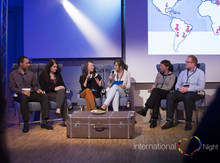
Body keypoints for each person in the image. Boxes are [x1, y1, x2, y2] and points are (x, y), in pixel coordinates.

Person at [9, 56, 53, 133]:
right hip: (20, 94)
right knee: (23, 98)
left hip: (31, 93)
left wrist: (37, 89)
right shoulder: (13, 74)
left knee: (44, 96)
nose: (29, 64)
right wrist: (22, 91)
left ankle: (44, 122)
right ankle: (26, 123)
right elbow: (12, 88)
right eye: (27, 63)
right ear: (21, 64)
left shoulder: (31, 73)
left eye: (29, 63)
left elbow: (35, 85)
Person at [162, 55, 205, 130]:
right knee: (170, 95)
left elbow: (201, 86)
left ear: (193, 64)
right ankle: (169, 121)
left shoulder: (200, 73)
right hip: (182, 91)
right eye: (186, 61)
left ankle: (188, 122)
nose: (185, 63)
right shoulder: (183, 72)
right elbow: (177, 84)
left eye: (187, 62)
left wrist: (188, 89)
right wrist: (179, 88)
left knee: (188, 96)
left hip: (194, 92)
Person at [136, 60, 176, 128]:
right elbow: (155, 84)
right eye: (160, 66)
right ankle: (154, 120)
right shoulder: (159, 74)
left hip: (167, 93)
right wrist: (152, 88)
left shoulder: (172, 75)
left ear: (167, 67)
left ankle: (146, 108)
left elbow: (169, 87)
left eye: (162, 66)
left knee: (156, 91)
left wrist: (156, 89)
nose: (160, 67)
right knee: (156, 97)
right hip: (157, 93)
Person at [39, 59, 67, 126]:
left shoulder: (57, 74)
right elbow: (43, 88)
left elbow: (63, 85)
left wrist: (62, 87)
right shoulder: (43, 75)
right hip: (47, 94)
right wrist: (54, 88)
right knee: (63, 98)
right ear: (49, 67)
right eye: (54, 67)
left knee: (62, 91)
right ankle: (65, 120)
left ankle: (58, 108)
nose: (56, 68)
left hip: (57, 94)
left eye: (56, 67)